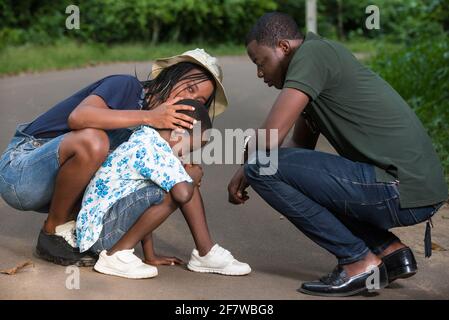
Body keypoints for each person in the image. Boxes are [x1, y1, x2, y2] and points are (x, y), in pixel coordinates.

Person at [227, 12, 448, 297]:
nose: (260, 74)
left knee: (261, 166)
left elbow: (269, 139)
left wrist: (248, 168)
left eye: (261, 62)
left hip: (399, 188)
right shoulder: (317, 68)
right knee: (270, 169)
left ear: (283, 47)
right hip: (411, 189)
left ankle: (358, 261)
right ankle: (389, 251)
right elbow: (298, 154)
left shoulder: (312, 54)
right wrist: (253, 168)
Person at [0, 48, 229, 267]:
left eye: (199, 100)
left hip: (58, 187)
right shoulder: (127, 86)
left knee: (172, 173)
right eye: (189, 88)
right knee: (94, 141)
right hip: (22, 171)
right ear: (171, 75)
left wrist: (150, 253)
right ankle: (53, 232)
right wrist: (149, 117)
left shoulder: (155, 136)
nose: (189, 100)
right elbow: (79, 118)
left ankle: (203, 253)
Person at [76, 100, 251, 279]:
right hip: (100, 235)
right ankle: (115, 256)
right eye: (188, 148)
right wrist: (193, 177)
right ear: (178, 132)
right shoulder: (154, 148)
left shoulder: (147, 138)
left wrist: (150, 255)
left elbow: (139, 201)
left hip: (100, 230)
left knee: (178, 179)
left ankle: (206, 252)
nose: (185, 154)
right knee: (179, 185)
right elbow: (182, 194)